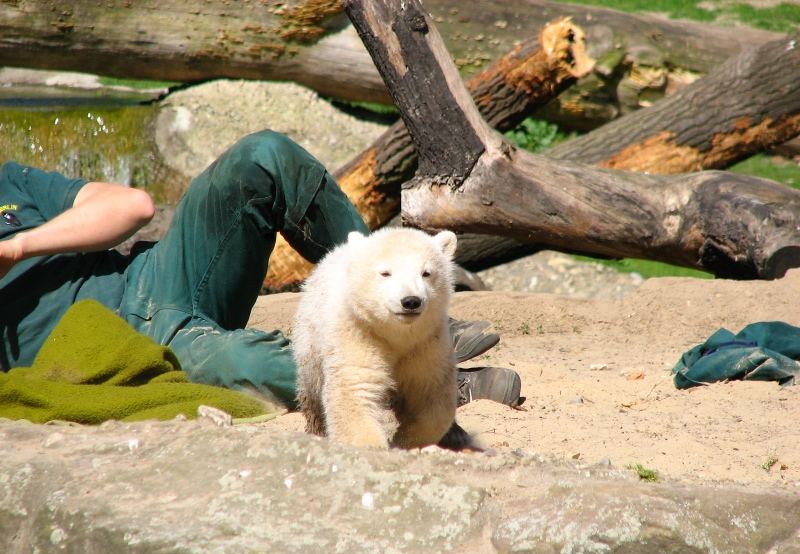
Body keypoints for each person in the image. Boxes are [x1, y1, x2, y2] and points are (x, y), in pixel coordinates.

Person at [0, 129, 519, 411]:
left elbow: (131, 208)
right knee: (244, 363)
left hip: (159, 272)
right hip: (125, 343)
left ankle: (399, 307)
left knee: (262, 156)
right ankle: (442, 387)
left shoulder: (9, 184)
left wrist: (20, 246)